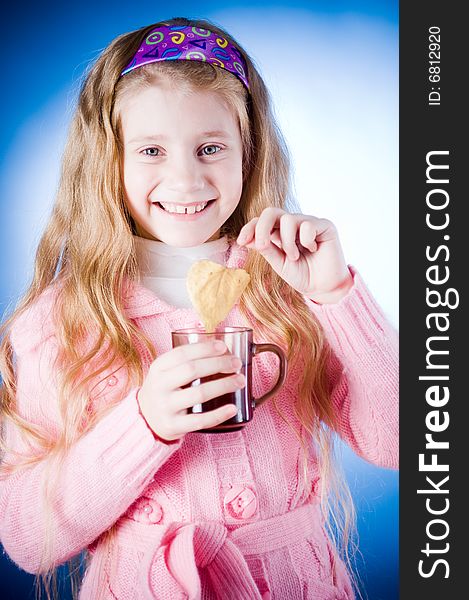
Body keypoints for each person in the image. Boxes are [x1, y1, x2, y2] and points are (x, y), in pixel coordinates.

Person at [0, 16, 398, 600]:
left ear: (248, 154)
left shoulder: (289, 289)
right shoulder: (58, 323)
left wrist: (337, 295)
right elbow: (27, 539)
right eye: (152, 151)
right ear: (107, 162)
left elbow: (403, 441)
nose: (185, 179)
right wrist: (146, 424)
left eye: (210, 148)